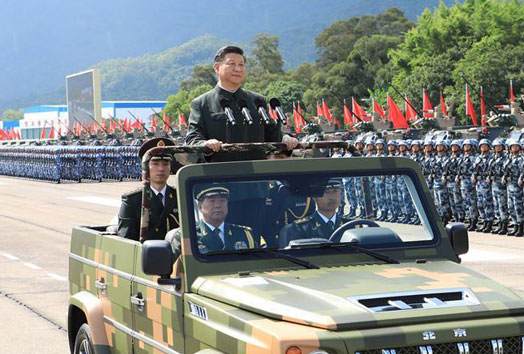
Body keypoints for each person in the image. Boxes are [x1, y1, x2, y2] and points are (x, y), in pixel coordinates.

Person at [185, 45, 298, 162]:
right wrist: (205, 144)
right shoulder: (202, 103)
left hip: (256, 174)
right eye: (232, 64)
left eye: (241, 65)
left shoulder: (257, 100)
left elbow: (270, 132)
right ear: (217, 67)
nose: (238, 69)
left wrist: (284, 137)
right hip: (218, 174)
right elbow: (192, 138)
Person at [169, 185, 256, 258]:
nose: (218, 205)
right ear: (200, 207)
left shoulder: (244, 234)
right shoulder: (188, 235)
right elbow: (170, 270)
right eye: (212, 201)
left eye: (222, 201)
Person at [118, 137, 179, 241]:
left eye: (165, 164)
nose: (161, 169)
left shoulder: (180, 196)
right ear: (145, 167)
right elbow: (127, 239)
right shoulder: (133, 200)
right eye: (155, 164)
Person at [278, 179, 350, 247]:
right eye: (326, 192)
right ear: (314, 197)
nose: (331, 197)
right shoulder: (300, 229)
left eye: (335, 191)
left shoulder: (350, 226)